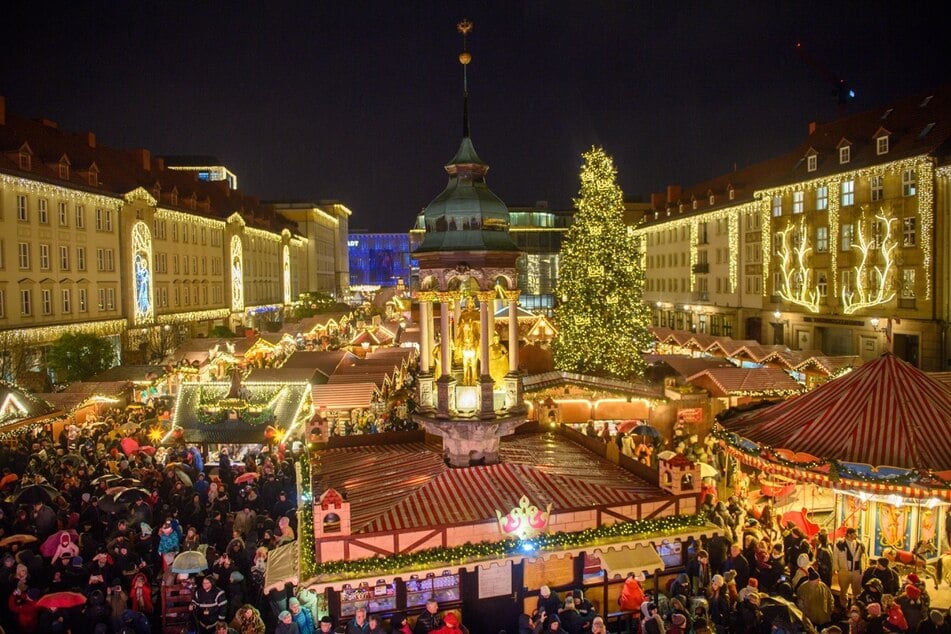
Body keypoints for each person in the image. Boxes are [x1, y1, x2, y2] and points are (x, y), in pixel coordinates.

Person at [834, 528, 866, 609]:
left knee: (857, 590)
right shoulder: (840, 544)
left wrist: (864, 568)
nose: (856, 535)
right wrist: (836, 568)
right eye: (854, 533)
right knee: (843, 590)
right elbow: (835, 557)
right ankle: (843, 606)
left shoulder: (860, 544)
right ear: (848, 534)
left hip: (857, 571)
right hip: (844, 570)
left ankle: (855, 607)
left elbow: (864, 557)